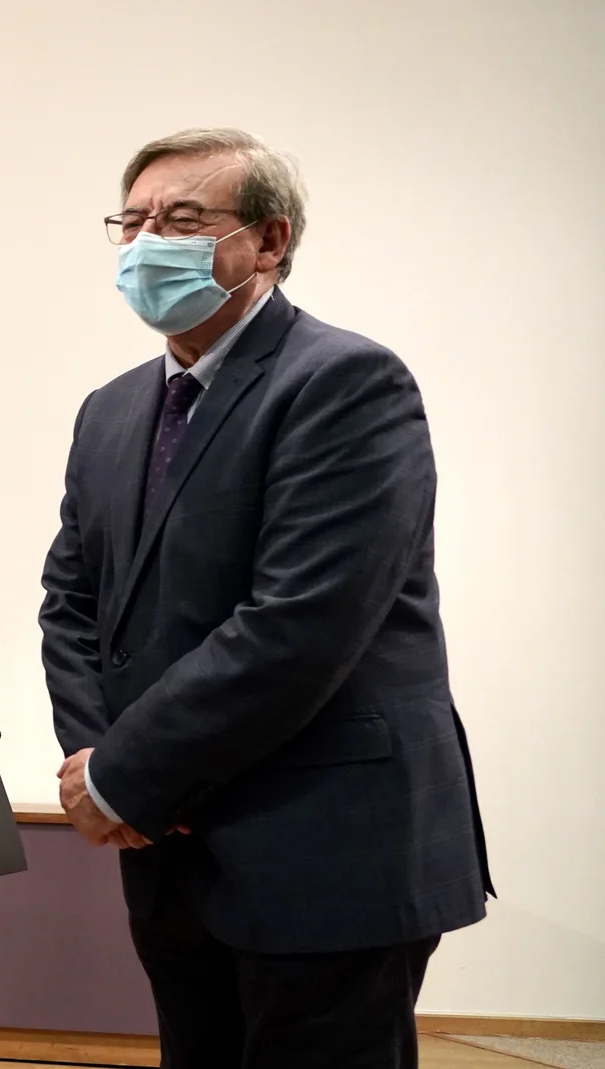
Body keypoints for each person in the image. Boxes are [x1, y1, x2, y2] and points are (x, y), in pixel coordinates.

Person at [39, 128, 491, 1069]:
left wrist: (131, 775)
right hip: (170, 853)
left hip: (326, 849)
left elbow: (300, 625)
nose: (145, 241)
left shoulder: (345, 383)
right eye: (132, 221)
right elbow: (72, 602)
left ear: (270, 240)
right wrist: (98, 759)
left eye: (182, 219)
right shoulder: (110, 410)